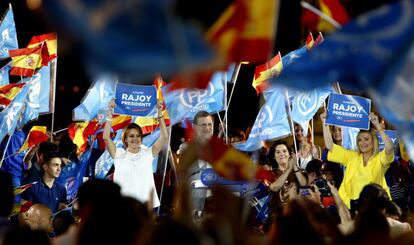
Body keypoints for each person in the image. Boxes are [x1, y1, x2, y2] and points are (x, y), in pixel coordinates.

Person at [320, 111, 394, 208]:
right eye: (359, 139)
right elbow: (330, 146)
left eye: (366, 139)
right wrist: (324, 123)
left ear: (374, 141)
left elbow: (389, 148)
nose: (362, 143)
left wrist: (378, 127)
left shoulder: (380, 158)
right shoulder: (351, 156)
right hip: (353, 207)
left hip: (376, 207)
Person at [103, 99, 167, 208]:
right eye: (131, 136)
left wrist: (159, 113)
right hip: (124, 206)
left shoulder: (148, 154)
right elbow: (105, 137)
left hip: (145, 207)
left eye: (138, 136)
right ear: (125, 139)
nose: (135, 139)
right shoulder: (118, 155)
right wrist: (110, 113)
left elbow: (164, 136)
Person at [179, 111, 215, 216]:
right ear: (194, 127)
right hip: (195, 193)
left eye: (210, 125)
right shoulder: (186, 147)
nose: (207, 128)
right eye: (203, 125)